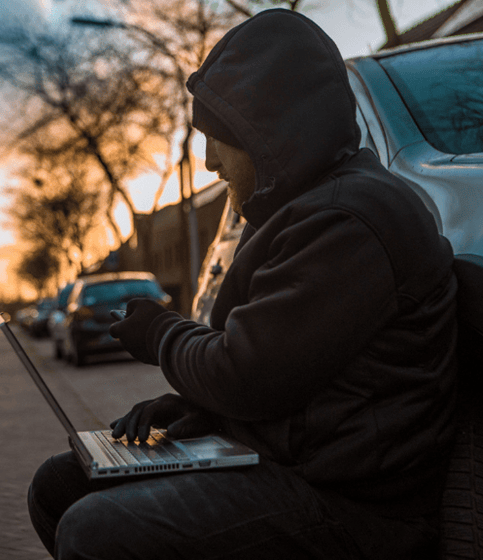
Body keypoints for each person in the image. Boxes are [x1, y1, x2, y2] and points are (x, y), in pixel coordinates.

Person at [27, 9, 457, 559]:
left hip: (354, 507)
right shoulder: (312, 210)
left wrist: (163, 336)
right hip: (287, 460)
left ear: (269, 132)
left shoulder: (350, 219)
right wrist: (201, 414)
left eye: (219, 140)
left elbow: (249, 374)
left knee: (95, 531)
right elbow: (296, 375)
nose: (208, 162)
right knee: (58, 484)